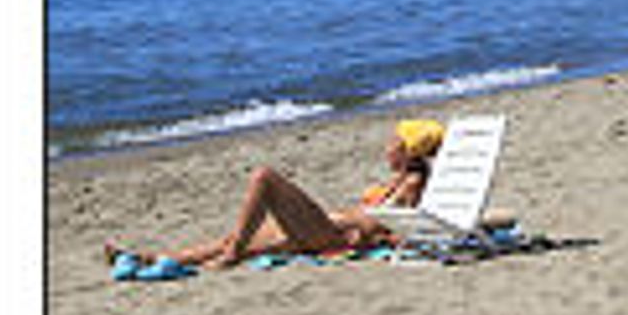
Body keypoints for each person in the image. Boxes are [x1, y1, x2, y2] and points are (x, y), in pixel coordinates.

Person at [107, 119, 445, 272]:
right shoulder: (400, 180)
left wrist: (377, 239)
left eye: (394, 144)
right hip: (322, 228)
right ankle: (150, 258)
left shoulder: (411, 184)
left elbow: (404, 227)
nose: (387, 148)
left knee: (264, 179)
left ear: (408, 151)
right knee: (233, 237)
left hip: (331, 235)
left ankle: (230, 254)